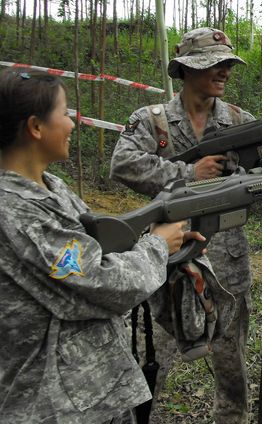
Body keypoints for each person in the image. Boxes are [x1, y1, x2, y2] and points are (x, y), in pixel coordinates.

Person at [0, 68, 195, 423]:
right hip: (50, 403)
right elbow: (100, 283)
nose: (73, 124)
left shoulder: (49, 188)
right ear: (36, 127)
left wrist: (161, 236)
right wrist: (156, 246)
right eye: (64, 113)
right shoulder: (15, 212)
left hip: (85, 392)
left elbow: (93, 247)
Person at [110, 27, 256, 423]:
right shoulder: (151, 121)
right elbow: (123, 165)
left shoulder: (242, 123)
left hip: (225, 265)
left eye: (227, 64)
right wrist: (189, 172)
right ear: (188, 69)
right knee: (146, 363)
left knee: (232, 371)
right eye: (215, 64)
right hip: (163, 261)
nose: (224, 71)